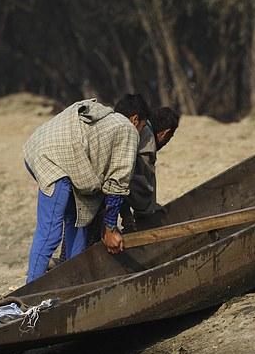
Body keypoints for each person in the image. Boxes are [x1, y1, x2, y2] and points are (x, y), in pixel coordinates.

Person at [22, 96, 144, 283]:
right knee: (49, 234)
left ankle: (71, 286)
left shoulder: (107, 119)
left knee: (77, 223)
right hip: (54, 160)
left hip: (38, 147)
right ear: (135, 120)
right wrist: (110, 227)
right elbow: (118, 183)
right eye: (142, 127)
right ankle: (29, 293)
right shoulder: (128, 129)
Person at [118, 105, 181, 232]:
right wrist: (149, 210)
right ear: (165, 133)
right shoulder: (148, 140)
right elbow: (138, 184)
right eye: (170, 137)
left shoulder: (141, 129)